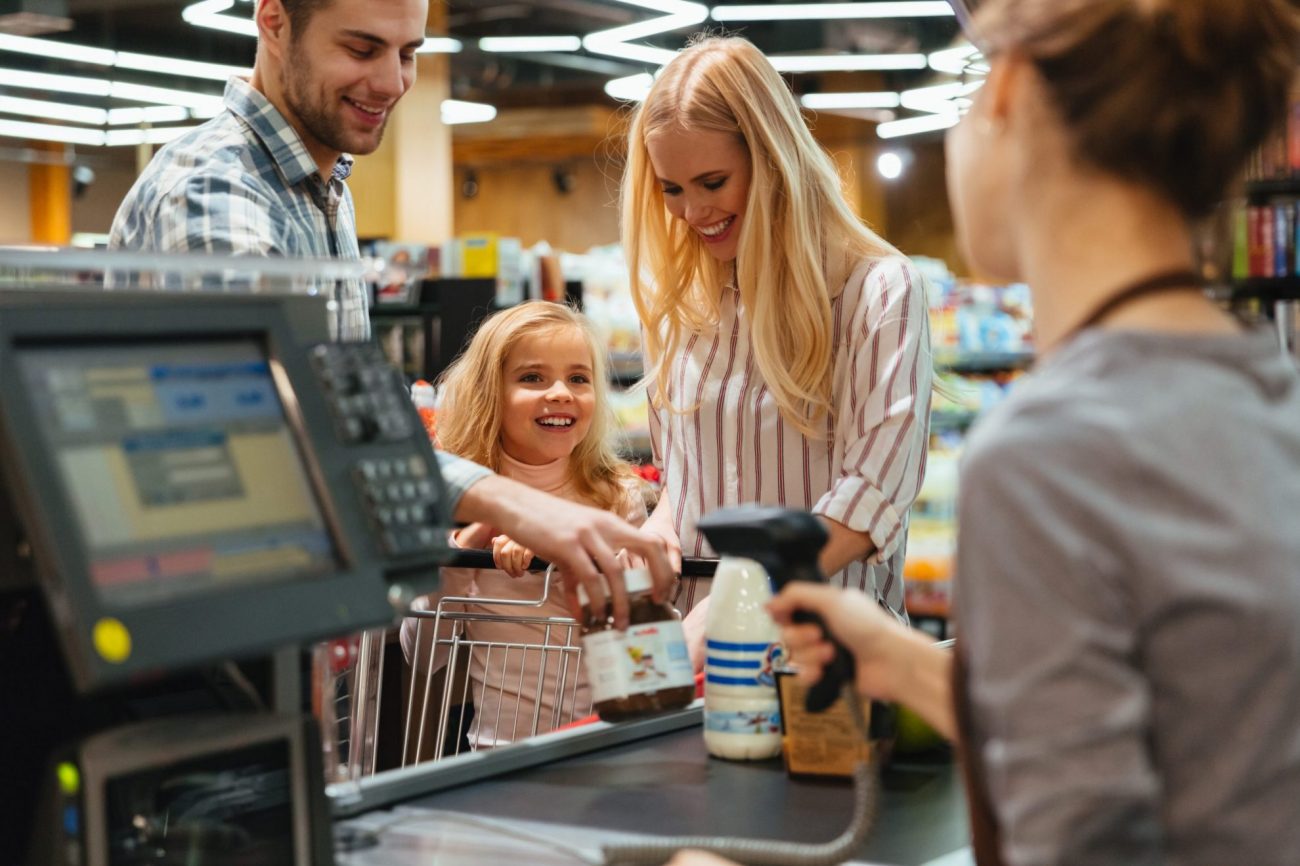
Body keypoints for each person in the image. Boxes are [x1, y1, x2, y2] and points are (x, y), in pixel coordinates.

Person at [677, 1, 1300, 864]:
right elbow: (1201, 731)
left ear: (1006, 93)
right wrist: (913, 668)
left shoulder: (1049, 454)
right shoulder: (1264, 396)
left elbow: (1079, 841)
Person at [106, 0, 672, 615]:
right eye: (361, 49)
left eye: (408, 53)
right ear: (273, 22)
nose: (392, 82)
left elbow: (345, 409)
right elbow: (271, 424)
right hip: (216, 612)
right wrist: (507, 499)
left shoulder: (322, 192)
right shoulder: (218, 197)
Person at [621, 36, 932, 664]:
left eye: (713, 181)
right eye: (671, 190)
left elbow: (870, 496)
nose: (693, 211)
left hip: (825, 663)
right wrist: (652, 538)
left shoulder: (878, 291)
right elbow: (686, 486)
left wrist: (742, 594)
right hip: (699, 662)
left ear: (773, 158)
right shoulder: (690, 306)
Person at [400, 302, 648, 747]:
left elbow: (647, 638)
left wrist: (571, 563)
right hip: (499, 751)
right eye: (532, 377)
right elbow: (423, 653)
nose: (560, 393)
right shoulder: (454, 499)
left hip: (613, 744)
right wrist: (471, 541)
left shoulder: (616, 496)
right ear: (489, 392)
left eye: (578, 378)